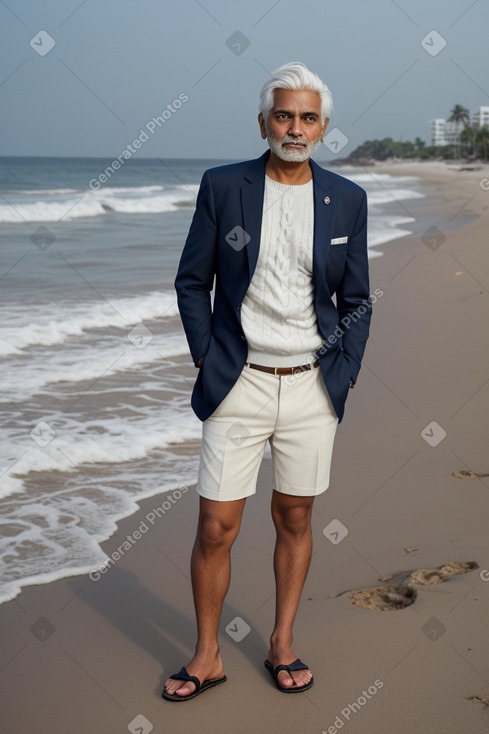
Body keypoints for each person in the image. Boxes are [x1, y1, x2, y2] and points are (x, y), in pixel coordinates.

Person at [163, 61, 371, 701]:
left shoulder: (347, 198)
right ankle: (206, 654)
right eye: (285, 115)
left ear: (324, 127)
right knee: (215, 527)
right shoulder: (224, 187)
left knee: (296, 516)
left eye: (308, 117)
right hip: (238, 381)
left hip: (312, 384)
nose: (296, 128)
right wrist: (205, 357)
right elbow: (192, 281)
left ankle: (281, 641)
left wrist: (344, 371)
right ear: (264, 122)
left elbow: (358, 298)